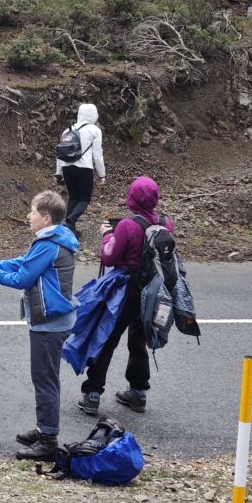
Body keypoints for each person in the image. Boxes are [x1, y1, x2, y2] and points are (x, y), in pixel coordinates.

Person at [0, 191, 80, 461]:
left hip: (50, 323)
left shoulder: (50, 244)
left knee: (45, 381)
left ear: (46, 217)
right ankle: (44, 429)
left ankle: (48, 441)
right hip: (51, 321)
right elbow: (23, 262)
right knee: (44, 379)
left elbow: (22, 278)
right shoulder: (51, 240)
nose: (29, 216)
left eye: (32, 211)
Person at [80, 176, 175, 416]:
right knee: (139, 341)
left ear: (131, 197)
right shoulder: (167, 223)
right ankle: (138, 392)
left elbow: (109, 256)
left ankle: (92, 394)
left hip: (125, 294)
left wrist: (106, 235)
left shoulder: (127, 226)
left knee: (107, 339)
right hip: (151, 295)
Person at [55, 103, 105, 234]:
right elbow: (97, 155)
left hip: (67, 167)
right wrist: (102, 175)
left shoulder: (68, 130)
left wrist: (58, 172)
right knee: (84, 198)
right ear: (94, 115)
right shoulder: (94, 130)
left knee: (73, 197)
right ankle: (70, 222)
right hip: (84, 168)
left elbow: (60, 153)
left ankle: (69, 229)